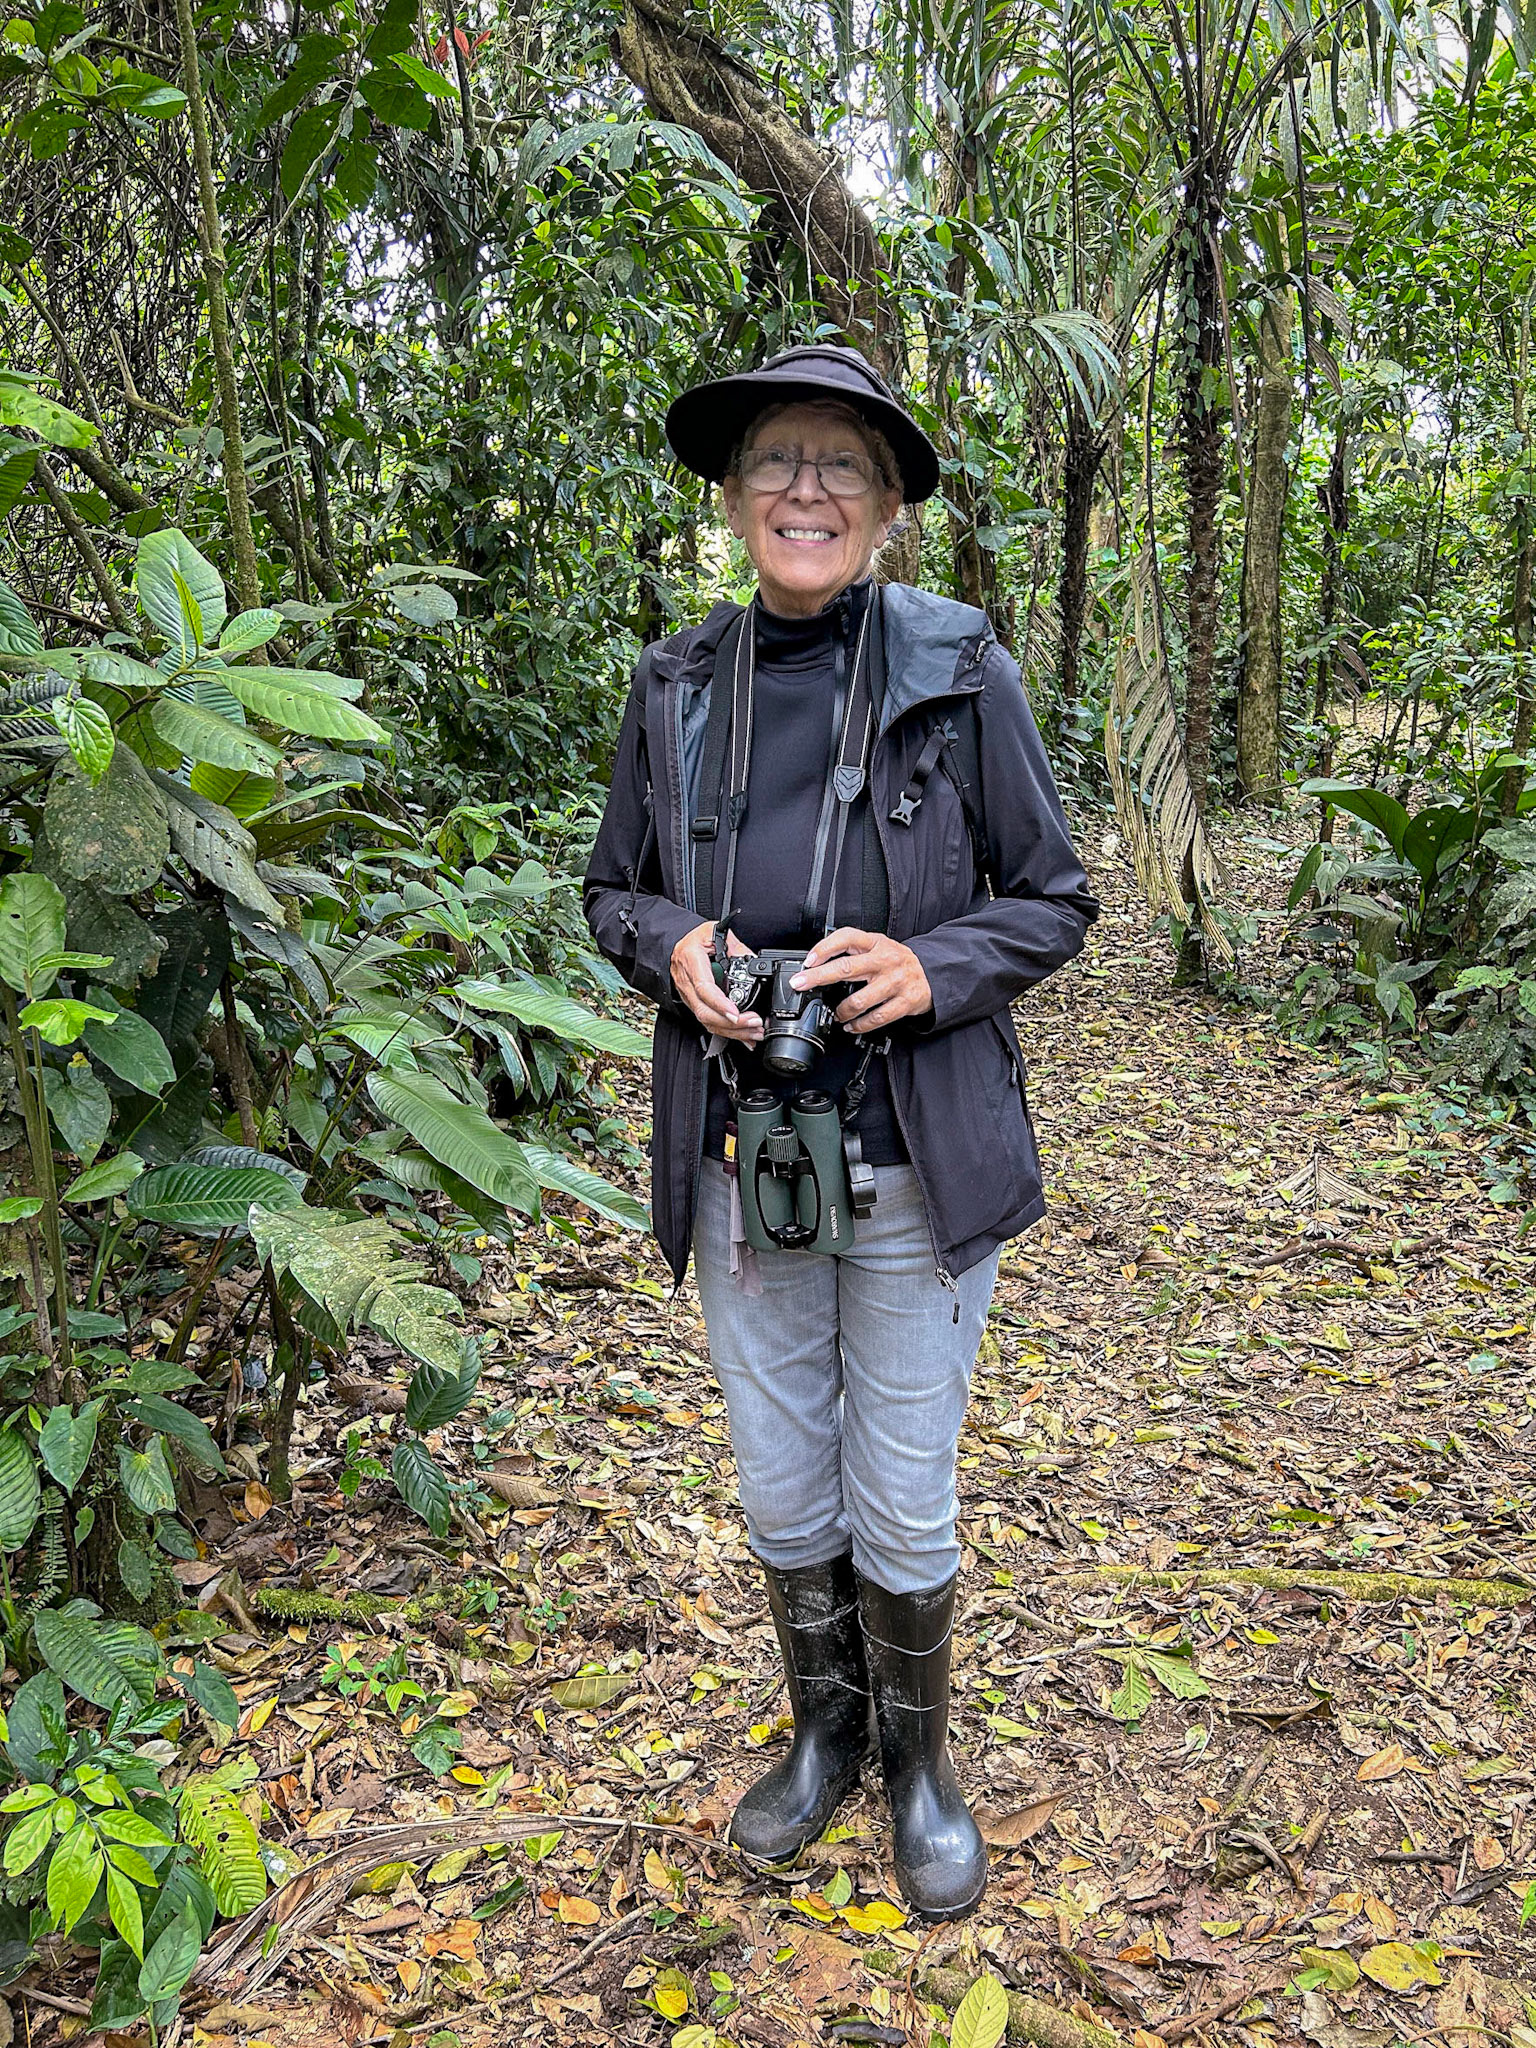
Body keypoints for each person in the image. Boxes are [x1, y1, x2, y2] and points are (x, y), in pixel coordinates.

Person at [585, 343, 1097, 1921]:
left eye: (842, 470)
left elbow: (1056, 898)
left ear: (884, 511)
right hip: (748, 1151)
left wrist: (927, 967)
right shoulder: (674, 685)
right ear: (736, 501)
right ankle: (826, 1730)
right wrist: (673, 944)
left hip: (912, 1149)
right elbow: (608, 886)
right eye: (780, 466)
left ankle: (921, 1765)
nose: (808, 492)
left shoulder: (961, 667)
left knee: (906, 1475)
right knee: (781, 1465)